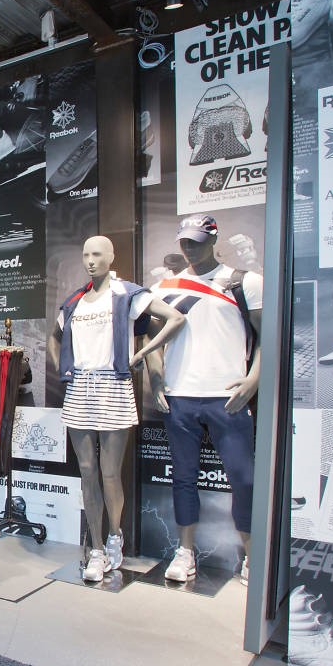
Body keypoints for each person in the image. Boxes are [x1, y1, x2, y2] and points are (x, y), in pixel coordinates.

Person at [49, 235, 184, 583]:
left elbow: (175, 319)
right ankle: (96, 549)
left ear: (111, 256)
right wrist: (63, 368)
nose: (90, 261)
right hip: (80, 387)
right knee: (87, 471)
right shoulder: (74, 301)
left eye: (97, 254)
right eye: (85, 255)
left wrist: (142, 353)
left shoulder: (128, 294)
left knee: (110, 473)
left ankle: (114, 534)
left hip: (113, 386)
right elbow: (54, 336)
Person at [148, 215, 263, 584]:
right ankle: (185, 552)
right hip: (180, 397)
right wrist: (156, 379)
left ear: (213, 239)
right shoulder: (164, 287)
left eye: (197, 241)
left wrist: (253, 380)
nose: (190, 248)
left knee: (243, 479)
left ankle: (252, 555)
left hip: (226, 397)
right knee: (183, 477)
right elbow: (152, 339)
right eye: (185, 241)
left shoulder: (243, 282)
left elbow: (267, 336)